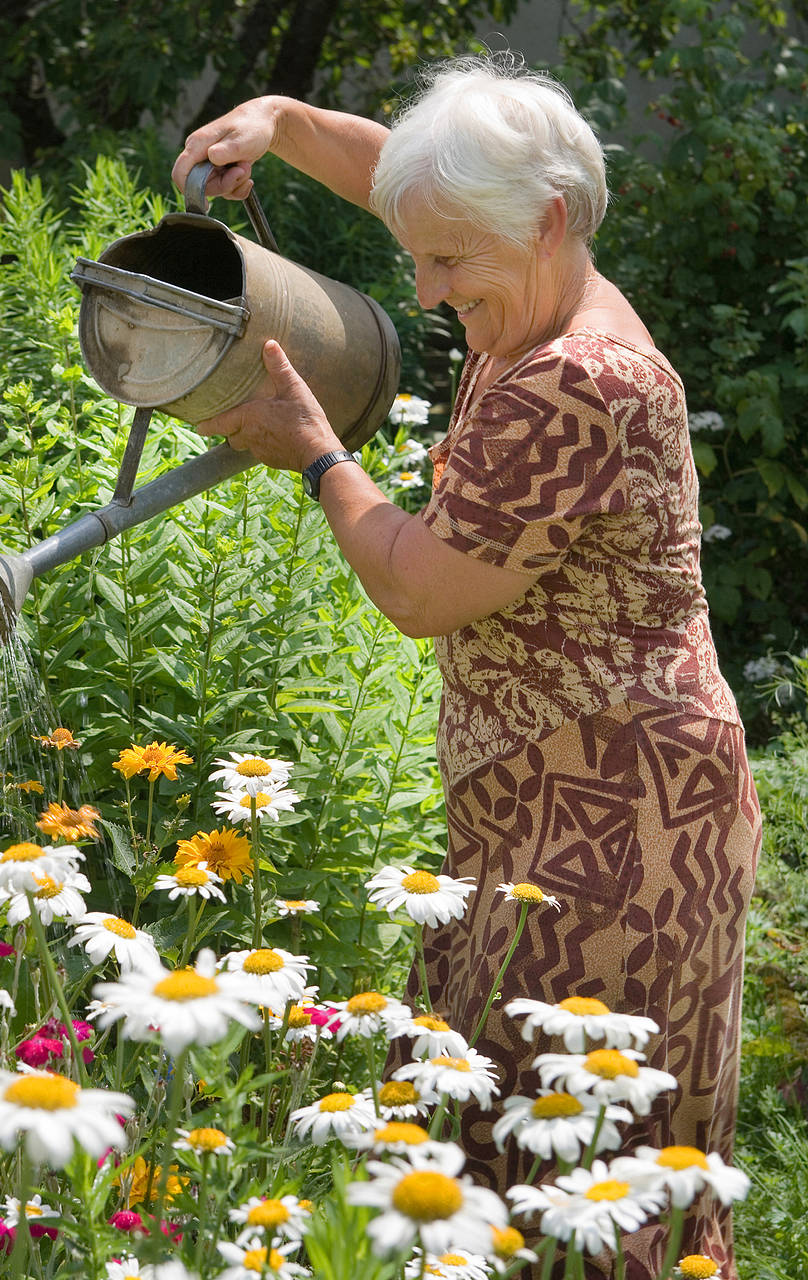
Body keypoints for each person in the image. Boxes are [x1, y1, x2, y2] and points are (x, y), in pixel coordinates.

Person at [172, 55, 760, 1279]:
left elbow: (421, 589)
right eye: (419, 260)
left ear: (547, 219)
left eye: (451, 264)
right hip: (558, 792)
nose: (430, 294)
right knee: (495, 1136)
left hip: (619, 822)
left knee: (570, 1164)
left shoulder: (576, 381)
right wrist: (281, 126)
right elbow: (398, 174)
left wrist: (319, 452)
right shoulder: (539, 275)